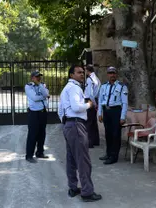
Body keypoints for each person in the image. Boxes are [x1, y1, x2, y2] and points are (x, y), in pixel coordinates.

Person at [58, 65, 102, 202]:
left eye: (83, 72)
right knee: (83, 160)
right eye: (79, 72)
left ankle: (73, 187)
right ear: (71, 75)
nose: (82, 74)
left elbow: (60, 110)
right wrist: (89, 104)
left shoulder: (66, 88)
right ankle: (87, 192)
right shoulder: (75, 88)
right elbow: (77, 107)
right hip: (76, 125)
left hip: (69, 125)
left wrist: (65, 122)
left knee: (71, 158)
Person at [98, 66, 128, 165]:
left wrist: (122, 117)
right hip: (106, 111)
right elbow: (100, 101)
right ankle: (108, 153)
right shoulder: (103, 86)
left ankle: (114, 156)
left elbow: (125, 103)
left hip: (116, 112)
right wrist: (100, 113)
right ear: (107, 75)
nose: (112, 75)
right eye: (110, 73)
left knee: (115, 135)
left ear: (116, 74)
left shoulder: (122, 86)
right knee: (108, 134)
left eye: (114, 73)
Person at [24, 71, 49, 163]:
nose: (38, 78)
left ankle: (40, 152)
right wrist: (43, 97)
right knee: (33, 134)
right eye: (36, 77)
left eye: (39, 77)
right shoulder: (28, 86)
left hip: (43, 112)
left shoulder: (42, 85)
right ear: (32, 78)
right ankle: (29, 155)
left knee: (42, 133)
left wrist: (40, 87)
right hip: (34, 113)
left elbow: (46, 94)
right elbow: (34, 98)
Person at [84, 64, 101, 148]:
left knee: (89, 122)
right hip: (95, 100)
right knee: (93, 122)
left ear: (87, 70)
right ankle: (95, 141)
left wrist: (93, 103)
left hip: (90, 101)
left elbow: (90, 94)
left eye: (85, 70)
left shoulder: (89, 79)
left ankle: (89, 142)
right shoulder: (97, 78)